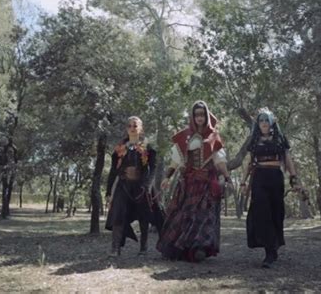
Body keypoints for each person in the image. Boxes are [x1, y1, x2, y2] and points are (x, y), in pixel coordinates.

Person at [157, 100, 232, 262]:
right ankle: (181, 248)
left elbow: (219, 161)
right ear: (192, 116)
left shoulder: (213, 137)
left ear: (207, 116)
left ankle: (200, 248)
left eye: (202, 114)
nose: (200, 117)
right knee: (184, 214)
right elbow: (176, 161)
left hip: (206, 182)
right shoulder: (184, 135)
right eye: (197, 114)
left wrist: (227, 178)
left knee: (204, 216)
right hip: (188, 182)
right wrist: (167, 177)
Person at [240, 108, 301, 268]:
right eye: (261, 121)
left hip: (275, 177)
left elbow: (288, 160)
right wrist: (243, 182)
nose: (264, 123)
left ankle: (274, 247)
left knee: (276, 212)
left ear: (272, 122)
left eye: (267, 120)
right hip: (259, 178)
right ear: (258, 124)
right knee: (262, 213)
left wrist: (294, 179)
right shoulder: (253, 140)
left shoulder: (280, 139)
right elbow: (249, 162)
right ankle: (269, 252)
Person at [105, 116, 159, 257]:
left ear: (140, 128)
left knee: (144, 216)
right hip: (123, 186)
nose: (132, 128)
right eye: (129, 126)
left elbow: (152, 168)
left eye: (135, 125)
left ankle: (143, 247)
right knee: (118, 214)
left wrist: (147, 185)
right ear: (126, 128)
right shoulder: (120, 148)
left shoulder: (148, 147)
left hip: (141, 187)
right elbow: (113, 171)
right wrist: (108, 191)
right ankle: (115, 248)